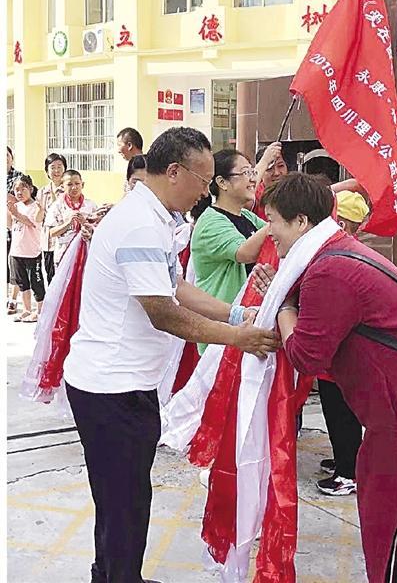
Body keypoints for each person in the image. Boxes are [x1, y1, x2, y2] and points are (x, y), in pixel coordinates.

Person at [62, 127, 280, 583]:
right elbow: (161, 310)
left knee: (121, 497)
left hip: (126, 384)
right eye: (202, 180)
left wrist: (238, 312)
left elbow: (176, 287)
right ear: (174, 171)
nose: (205, 190)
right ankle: (119, 577)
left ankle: (112, 574)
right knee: (124, 501)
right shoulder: (140, 222)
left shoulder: (157, 218)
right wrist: (235, 337)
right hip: (111, 388)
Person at [265, 173, 397, 583]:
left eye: (272, 220)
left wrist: (284, 306)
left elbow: (307, 354)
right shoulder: (339, 252)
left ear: (301, 221)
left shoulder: (330, 269)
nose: (268, 231)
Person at [315, 190, 369, 495]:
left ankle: (348, 472)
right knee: (335, 412)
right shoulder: (349, 251)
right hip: (334, 355)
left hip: (339, 355)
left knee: (342, 412)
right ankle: (343, 459)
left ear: (345, 224)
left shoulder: (345, 256)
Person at [191, 149, 269, 353]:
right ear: (222, 183)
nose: (252, 180)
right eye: (246, 173)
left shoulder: (246, 216)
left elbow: (273, 240)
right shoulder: (210, 221)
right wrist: (278, 220)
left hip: (244, 324)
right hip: (222, 331)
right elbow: (244, 252)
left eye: (253, 173)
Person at [7, 175, 46, 323]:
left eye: (23, 188)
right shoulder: (15, 206)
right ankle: (26, 309)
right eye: (16, 189)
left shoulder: (35, 206)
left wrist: (16, 214)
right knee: (22, 283)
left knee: (36, 282)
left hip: (32, 253)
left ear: (30, 188)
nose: (19, 192)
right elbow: (10, 224)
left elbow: (31, 222)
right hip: (16, 252)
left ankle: (40, 310)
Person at [45, 169, 97, 266]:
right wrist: (68, 223)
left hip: (86, 255)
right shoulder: (57, 206)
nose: (74, 187)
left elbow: (98, 230)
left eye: (77, 183)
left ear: (83, 184)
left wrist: (85, 223)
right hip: (64, 254)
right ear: (62, 186)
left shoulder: (91, 205)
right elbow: (52, 233)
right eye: (69, 184)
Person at [36, 153, 67, 283]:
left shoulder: (69, 189)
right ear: (47, 171)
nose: (56, 171)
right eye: (52, 167)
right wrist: (41, 209)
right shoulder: (42, 191)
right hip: (48, 242)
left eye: (60, 166)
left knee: (64, 276)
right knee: (51, 277)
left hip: (64, 240)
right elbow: (38, 219)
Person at [7, 146, 23, 314]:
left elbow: (16, 198)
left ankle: (12, 299)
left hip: (13, 226)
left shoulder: (18, 177)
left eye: (6, 155)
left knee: (13, 265)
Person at [253, 142, 288, 220]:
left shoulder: (296, 192)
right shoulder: (254, 196)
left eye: (281, 166)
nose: (276, 173)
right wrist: (265, 160)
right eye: (269, 168)